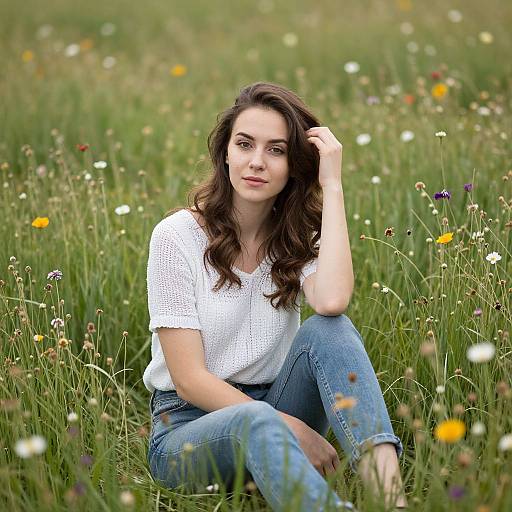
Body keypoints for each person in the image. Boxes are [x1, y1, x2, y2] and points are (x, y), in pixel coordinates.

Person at [144, 81, 408, 511]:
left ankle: (389, 496)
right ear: (225, 152)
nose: (256, 162)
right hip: (186, 431)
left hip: (275, 401)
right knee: (254, 420)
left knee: (330, 329)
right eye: (244, 144)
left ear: (293, 166)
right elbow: (189, 379)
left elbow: (332, 302)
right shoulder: (177, 237)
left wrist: (333, 185)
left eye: (276, 150)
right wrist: (289, 427)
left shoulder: (295, 236)